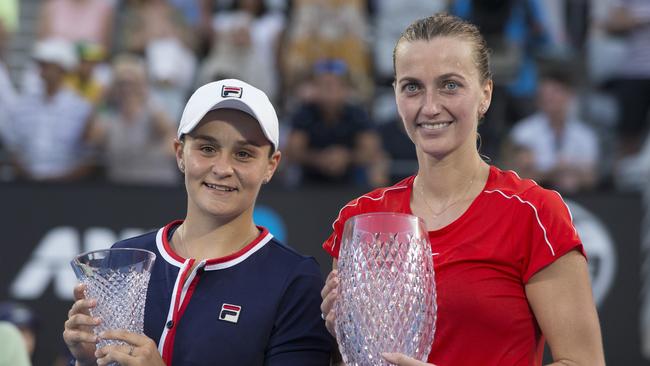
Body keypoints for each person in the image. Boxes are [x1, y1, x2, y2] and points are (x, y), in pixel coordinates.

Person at [319, 14, 605, 366]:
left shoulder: (534, 212)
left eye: (450, 85)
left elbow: (584, 362)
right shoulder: (361, 218)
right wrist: (339, 336)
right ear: (395, 95)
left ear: (485, 94)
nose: (430, 106)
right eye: (412, 87)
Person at [63, 79, 333, 366]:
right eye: (207, 148)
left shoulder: (294, 278)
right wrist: (87, 361)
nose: (222, 168)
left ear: (271, 165)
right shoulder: (127, 259)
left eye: (243, 154)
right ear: (180, 153)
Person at [504, 65, 600, 194]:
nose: (549, 98)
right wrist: (557, 170)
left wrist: (552, 172)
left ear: (569, 95)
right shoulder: (523, 132)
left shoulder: (585, 135)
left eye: (555, 92)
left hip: (577, 199)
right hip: (534, 198)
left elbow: (591, 178)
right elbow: (518, 176)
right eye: (544, 94)